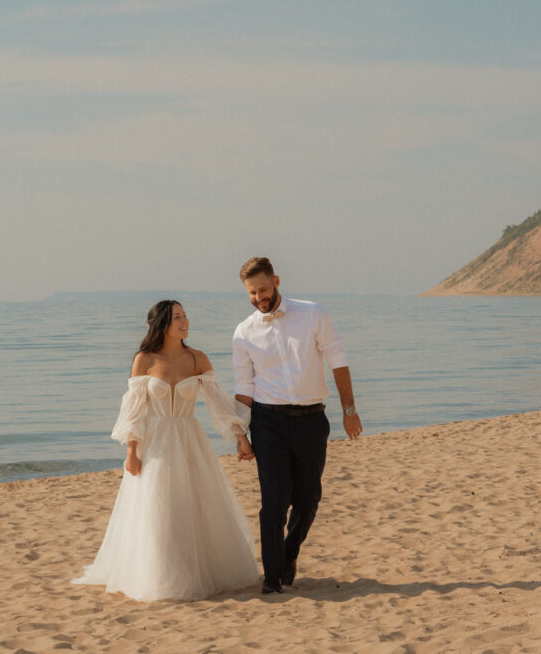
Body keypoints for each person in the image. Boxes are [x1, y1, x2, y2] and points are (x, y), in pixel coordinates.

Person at [72, 300, 260, 601]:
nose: (185, 322)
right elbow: (135, 411)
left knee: (194, 504)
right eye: (177, 318)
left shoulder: (197, 359)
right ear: (162, 324)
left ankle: (196, 572)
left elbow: (219, 405)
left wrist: (240, 436)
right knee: (158, 507)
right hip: (155, 441)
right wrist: (131, 451)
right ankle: (160, 576)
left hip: (189, 438)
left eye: (186, 316)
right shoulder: (144, 360)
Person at [232, 257, 363, 594]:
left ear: (276, 281)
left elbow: (338, 360)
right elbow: (244, 388)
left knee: (308, 499)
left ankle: (289, 553)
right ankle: (272, 578)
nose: (259, 296)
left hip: (311, 420)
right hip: (267, 422)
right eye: (251, 292)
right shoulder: (244, 332)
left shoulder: (312, 313)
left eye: (263, 288)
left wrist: (350, 409)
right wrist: (239, 434)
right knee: (273, 503)